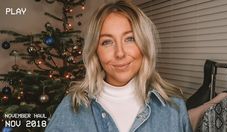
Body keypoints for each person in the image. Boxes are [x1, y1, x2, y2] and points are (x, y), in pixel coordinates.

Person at [45, 1, 192, 132]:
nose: (120, 53)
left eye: (130, 39)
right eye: (107, 42)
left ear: (144, 44)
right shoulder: (71, 108)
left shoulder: (174, 108)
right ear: (96, 51)